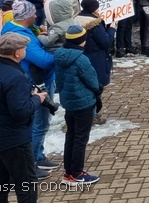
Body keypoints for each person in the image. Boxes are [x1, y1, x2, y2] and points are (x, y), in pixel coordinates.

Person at [0, 33, 46, 203]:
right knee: (26, 185)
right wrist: (36, 98)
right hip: (14, 140)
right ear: (17, 53)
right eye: (24, 48)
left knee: (0, 183)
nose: (25, 51)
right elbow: (20, 111)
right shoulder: (15, 77)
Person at [1, 1, 58, 178]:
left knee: (39, 123)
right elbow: (44, 60)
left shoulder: (14, 28)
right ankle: (30, 164)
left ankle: (39, 156)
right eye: (33, 14)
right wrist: (59, 51)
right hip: (36, 84)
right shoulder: (21, 36)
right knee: (40, 124)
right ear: (26, 16)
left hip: (35, 80)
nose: (36, 16)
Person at [54, 25, 101, 185]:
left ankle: (68, 172)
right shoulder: (81, 59)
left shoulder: (59, 55)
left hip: (68, 102)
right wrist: (98, 89)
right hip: (83, 103)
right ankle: (77, 173)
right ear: (82, 40)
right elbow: (92, 81)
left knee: (71, 136)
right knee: (81, 139)